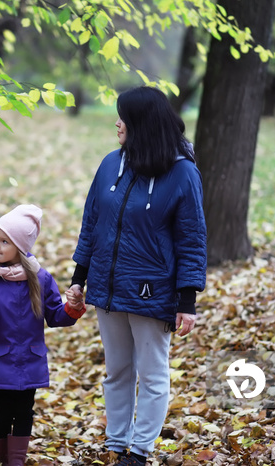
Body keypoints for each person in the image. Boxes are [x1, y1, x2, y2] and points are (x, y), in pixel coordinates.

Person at [67, 86, 207, 466]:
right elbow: (92, 224)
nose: (117, 123)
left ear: (142, 124)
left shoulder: (182, 173)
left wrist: (187, 300)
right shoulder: (112, 163)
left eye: (124, 117)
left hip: (152, 291)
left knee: (152, 374)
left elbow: (191, 239)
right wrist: (79, 278)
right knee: (117, 371)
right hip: (107, 288)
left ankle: (140, 452)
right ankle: (116, 444)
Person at [0, 204, 86, 466]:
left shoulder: (40, 278)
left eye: (4, 241)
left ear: (20, 246)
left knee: (23, 412)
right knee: (0, 413)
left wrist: (72, 308)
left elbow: (55, 315)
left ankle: (17, 461)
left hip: (30, 359)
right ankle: (0, 459)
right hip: (1, 359)